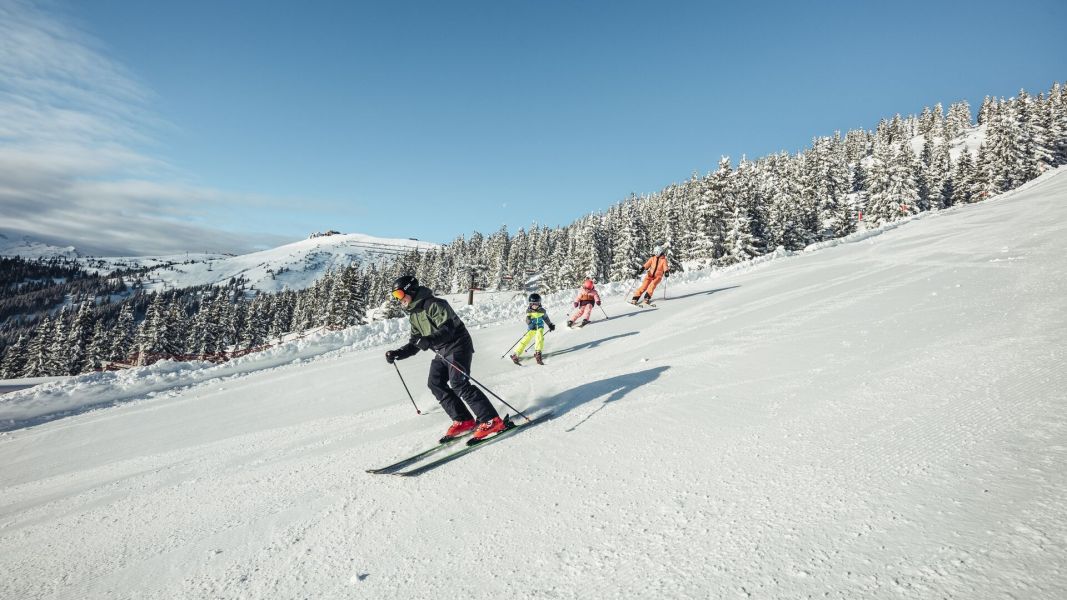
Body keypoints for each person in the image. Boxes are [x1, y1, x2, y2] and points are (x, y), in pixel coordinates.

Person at [384, 275, 507, 442]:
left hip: (458, 345)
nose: (398, 299)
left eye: (399, 294)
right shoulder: (414, 314)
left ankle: (491, 420)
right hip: (442, 350)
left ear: (410, 290)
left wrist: (428, 340)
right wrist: (398, 353)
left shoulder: (434, 304)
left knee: (459, 383)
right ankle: (464, 419)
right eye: (395, 296)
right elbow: (415, 343)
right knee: (435, 383)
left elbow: (448, 329)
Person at [510, 293, 555, 365]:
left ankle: (538, 352)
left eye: (536, 303)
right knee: (525, 339)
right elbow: (527, 319)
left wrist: (550, 325)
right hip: (531, 328)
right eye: (532, 303)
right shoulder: (529, 311)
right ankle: (516, 354)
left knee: (539, 337)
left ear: (539, 303)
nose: (534, 305)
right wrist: (530, 324)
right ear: (530, 304)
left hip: (539, 327)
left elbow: (546, 318)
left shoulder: (542, 311)